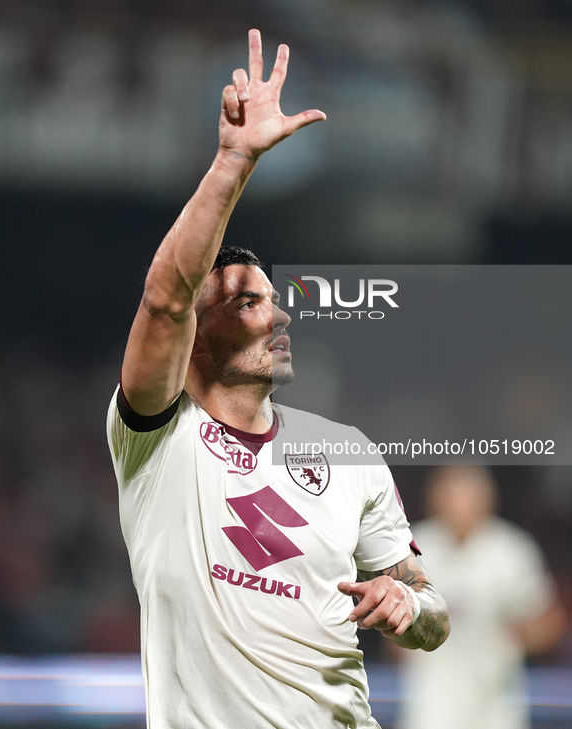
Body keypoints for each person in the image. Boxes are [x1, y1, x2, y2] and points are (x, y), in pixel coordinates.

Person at [107, 29, 450, 729]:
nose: (279, 314)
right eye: (246, 300)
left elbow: (431, 613)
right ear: (196, 337)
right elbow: (166, 297)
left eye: (275, 297)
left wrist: (408, 605)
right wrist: (232, 162)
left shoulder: (347, 450)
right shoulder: (156, 436)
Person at [396, 465, 566, 729]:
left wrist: (515, 638)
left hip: (495, 707)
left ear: (488, 498)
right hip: (430, 706)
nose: (460, 503)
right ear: (434, 498)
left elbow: (550, 621)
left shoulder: (512, 552)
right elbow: (392, 633)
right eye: (451, 493)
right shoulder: (414, 548)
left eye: (469, 494)